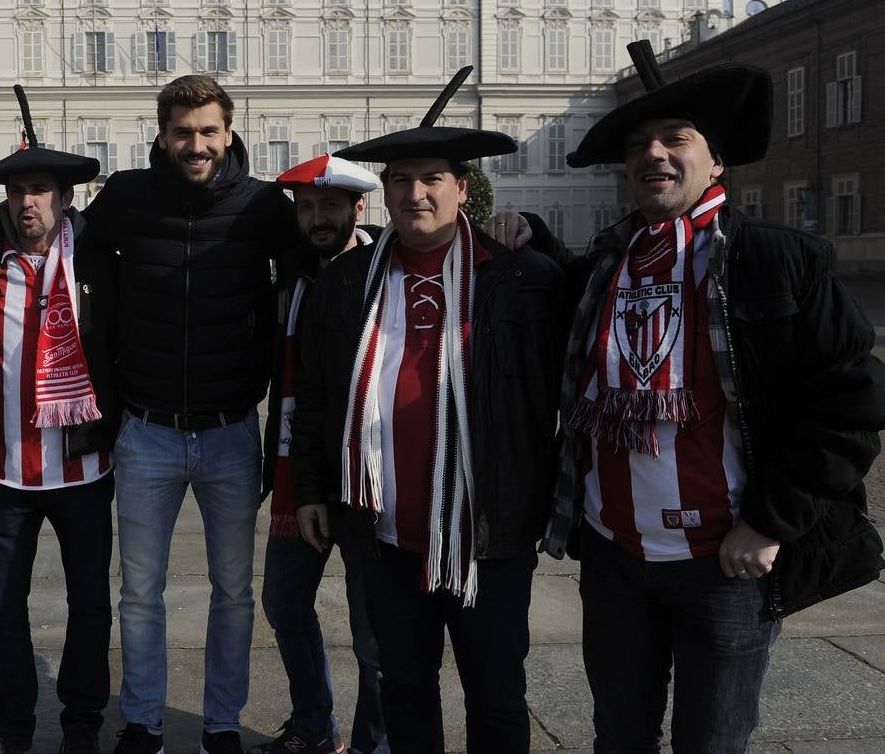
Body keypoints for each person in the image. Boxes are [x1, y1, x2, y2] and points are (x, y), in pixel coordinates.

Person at [488, 42, 885, 753]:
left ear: (717, 160)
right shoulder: (603, 268)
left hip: (726, 560)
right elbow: (556, 298)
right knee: (620, 735)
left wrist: (770, 522)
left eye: (677, 138)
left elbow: (850, 406)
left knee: (713, 740)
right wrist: (529, 232)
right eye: (639, 143)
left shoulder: (776, 258)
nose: (655, 154)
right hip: (614, 557)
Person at [289, 72, 564, 754]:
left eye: (432, 178)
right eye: (401, 180)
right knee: (404, 688)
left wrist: (543, 235)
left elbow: (567, 374)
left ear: (462, 189)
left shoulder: (518, 277)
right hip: (381, 531)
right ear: (383, 193)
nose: (416, 193)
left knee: (496, 692)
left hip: (488, 534)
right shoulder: (348, 284)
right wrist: (311, 490)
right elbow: (318, 396)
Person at [84, 75, 299, 754]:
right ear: (162, 135)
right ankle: (143, 720)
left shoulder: (263, 204)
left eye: (208, 131)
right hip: (145, 430)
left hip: (230, 430)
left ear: (229, 133)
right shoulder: (125, 197)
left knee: (233, 590)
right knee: (140, 590)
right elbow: (68, 252)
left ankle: (222, 722)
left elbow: (322, 257)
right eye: (183, 132)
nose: (196, 144)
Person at [0, 88, 120, 754]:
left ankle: (81, 720)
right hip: (6, 469)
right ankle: (9, 724)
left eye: (41, 189)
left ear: (65, 197)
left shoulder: (98, 264)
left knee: (90, 607)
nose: (28, 201)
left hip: (84, 465)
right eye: (19, 188)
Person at [256, 153, 387, 754]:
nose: (317, 217)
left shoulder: (384, 267)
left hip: (365, 477)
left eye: (330, 204)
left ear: (358, 206)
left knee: (374, 633)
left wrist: (528, 229)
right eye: (306, 207)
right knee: (283, 601)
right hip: (298, 469)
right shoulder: (290, 272)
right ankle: (314, 724)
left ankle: (371, 741)